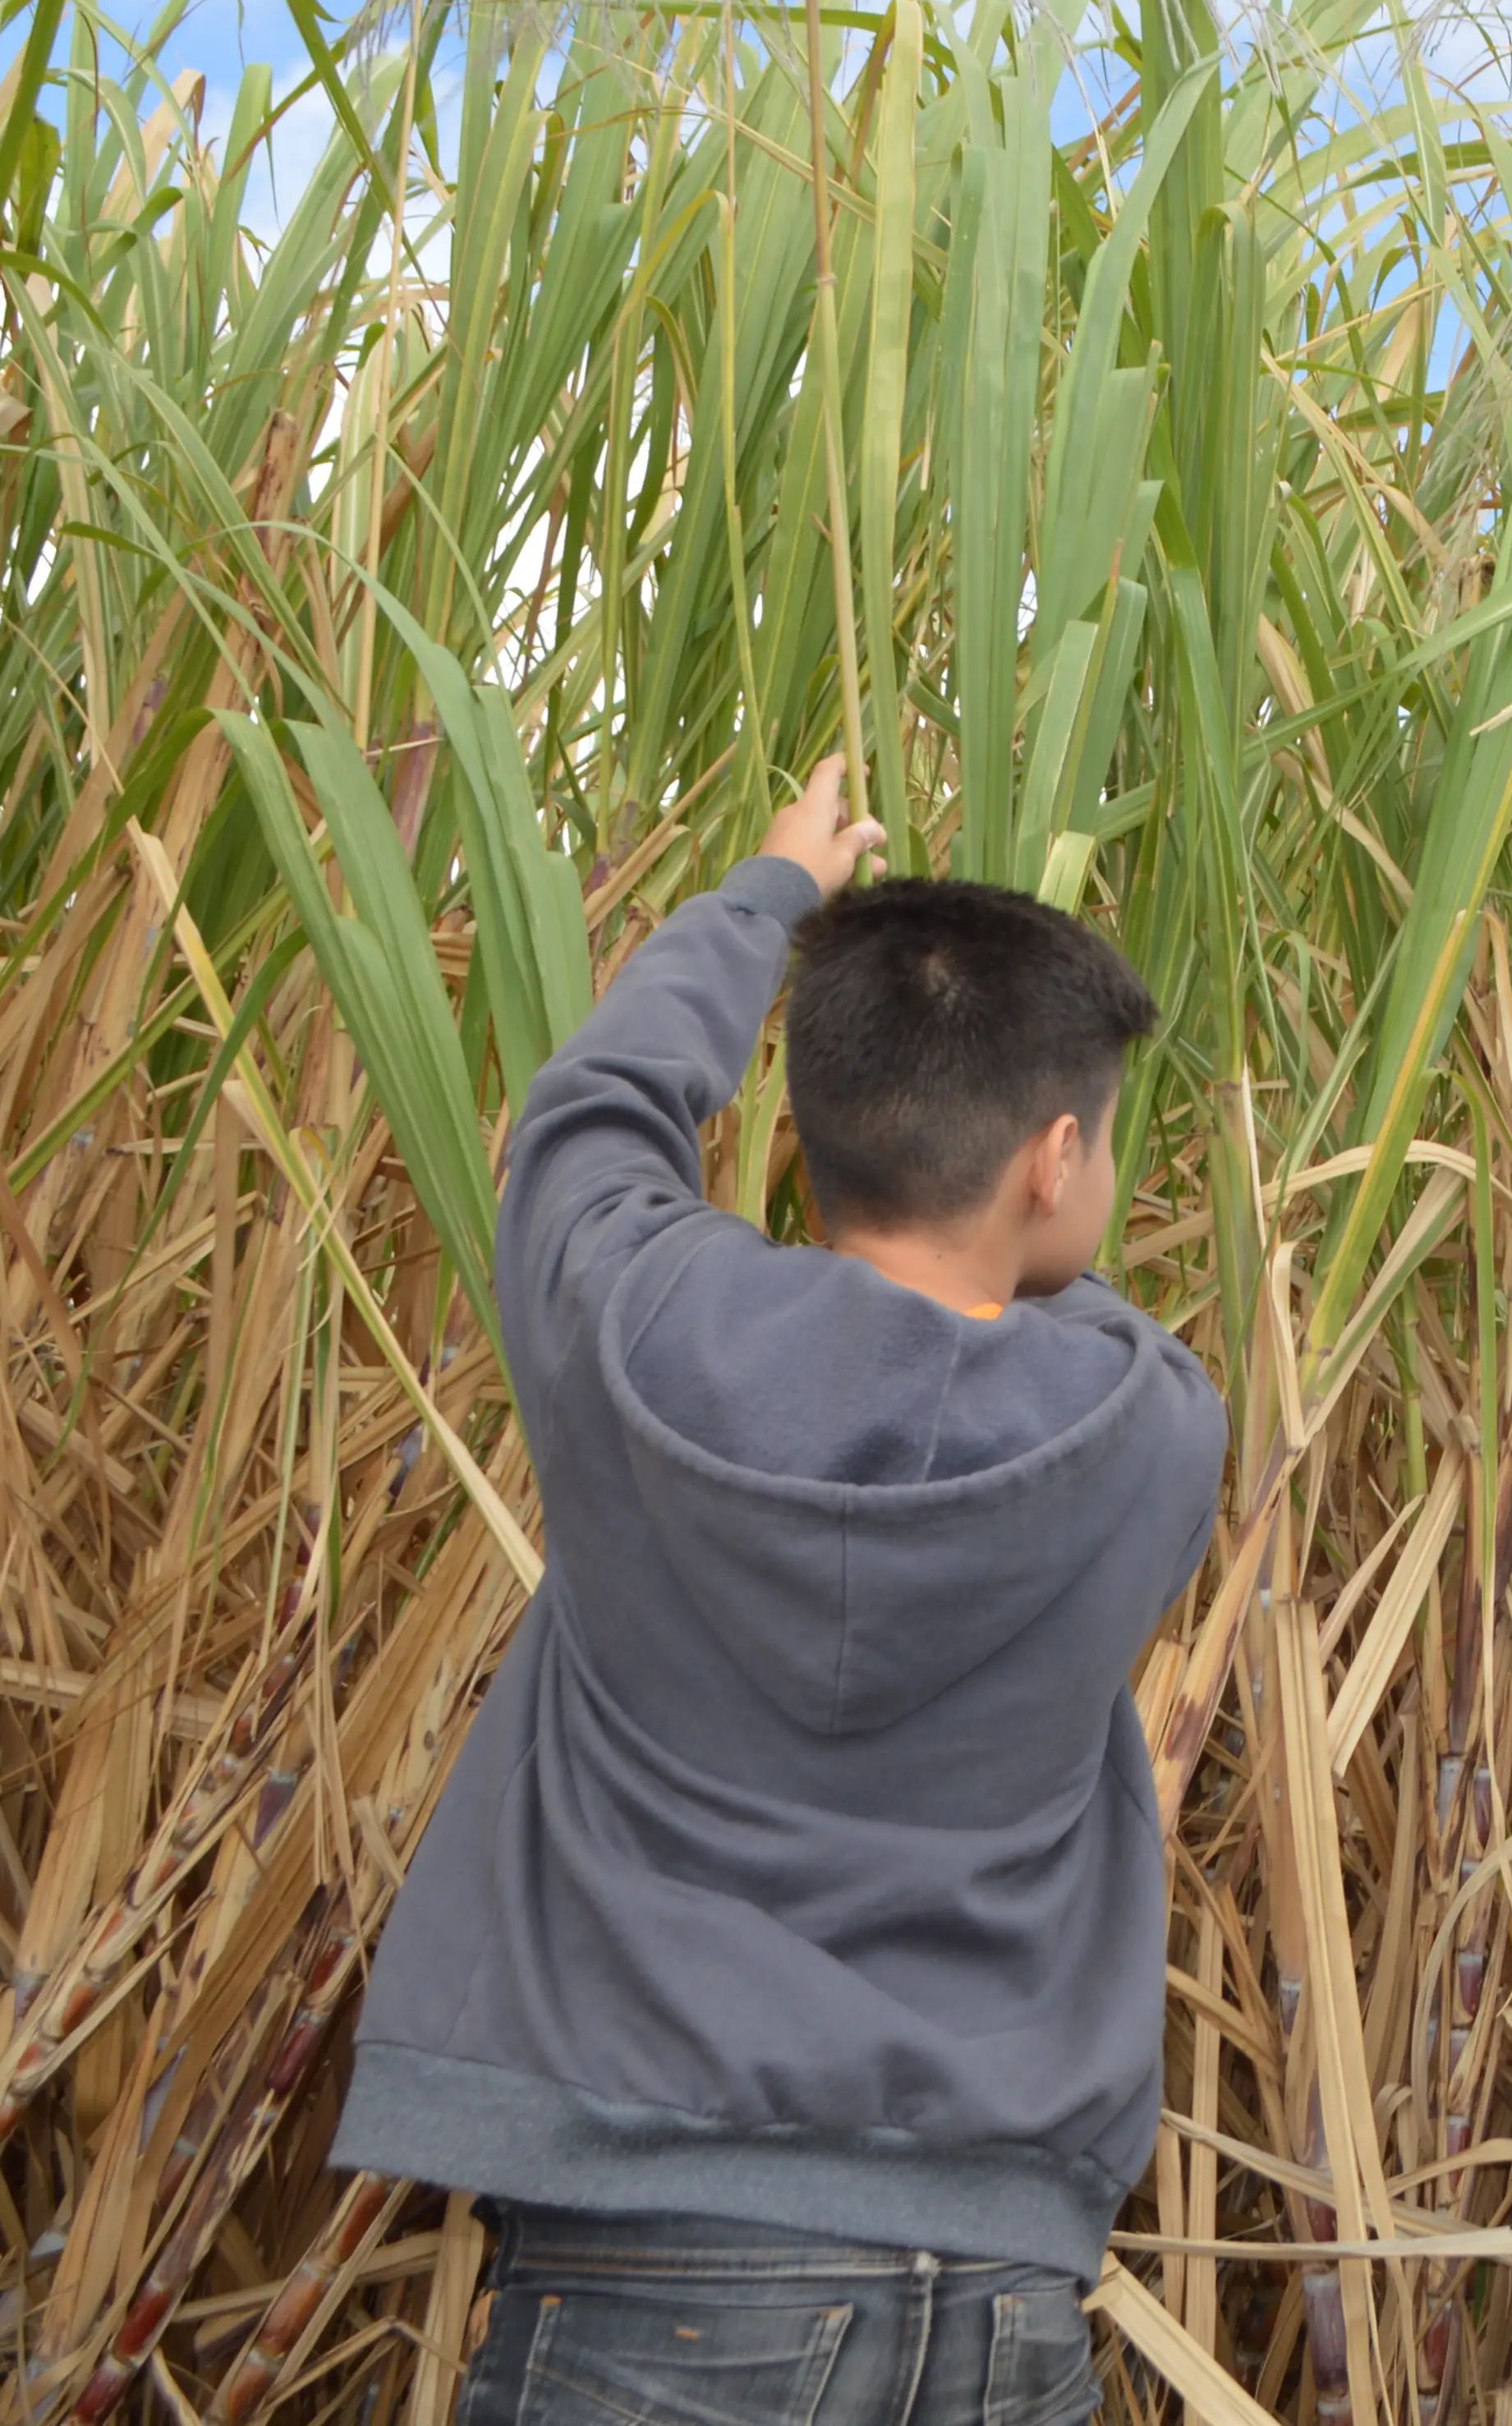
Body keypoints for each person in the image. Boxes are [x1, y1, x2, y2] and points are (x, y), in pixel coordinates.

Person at [330, 757, 1228, 2426]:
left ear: (808, 1123)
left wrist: (765, 899)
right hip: (999, 2291)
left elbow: (587, 1121)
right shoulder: (1155, 1423)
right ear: (1052, 1161)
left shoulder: (632, 1327)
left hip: (649, 2273)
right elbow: (1062, 1308)